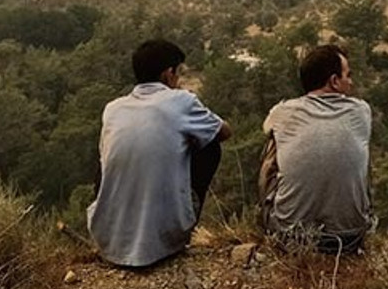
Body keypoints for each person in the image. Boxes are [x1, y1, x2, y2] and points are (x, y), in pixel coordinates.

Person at [87, 39, 232, 267]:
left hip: (108, 242)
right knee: (210, 144)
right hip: (163, 245)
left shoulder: (112, 109)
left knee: (111, 155)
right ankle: (179, 220)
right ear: (168, 74)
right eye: (178, 73)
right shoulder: (181, 101)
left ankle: (115, 222)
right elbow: (224, 132)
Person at [260, 44, 373, 254]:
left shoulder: (282, 112)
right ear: (334, 81)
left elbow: (266, 127)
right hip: (348, 239)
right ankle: (357, 213)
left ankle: (277, 214)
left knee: (274, 143)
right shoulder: (362, 111)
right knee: (357, 147)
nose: (351, 82)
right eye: (348, 75)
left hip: (290, 238)